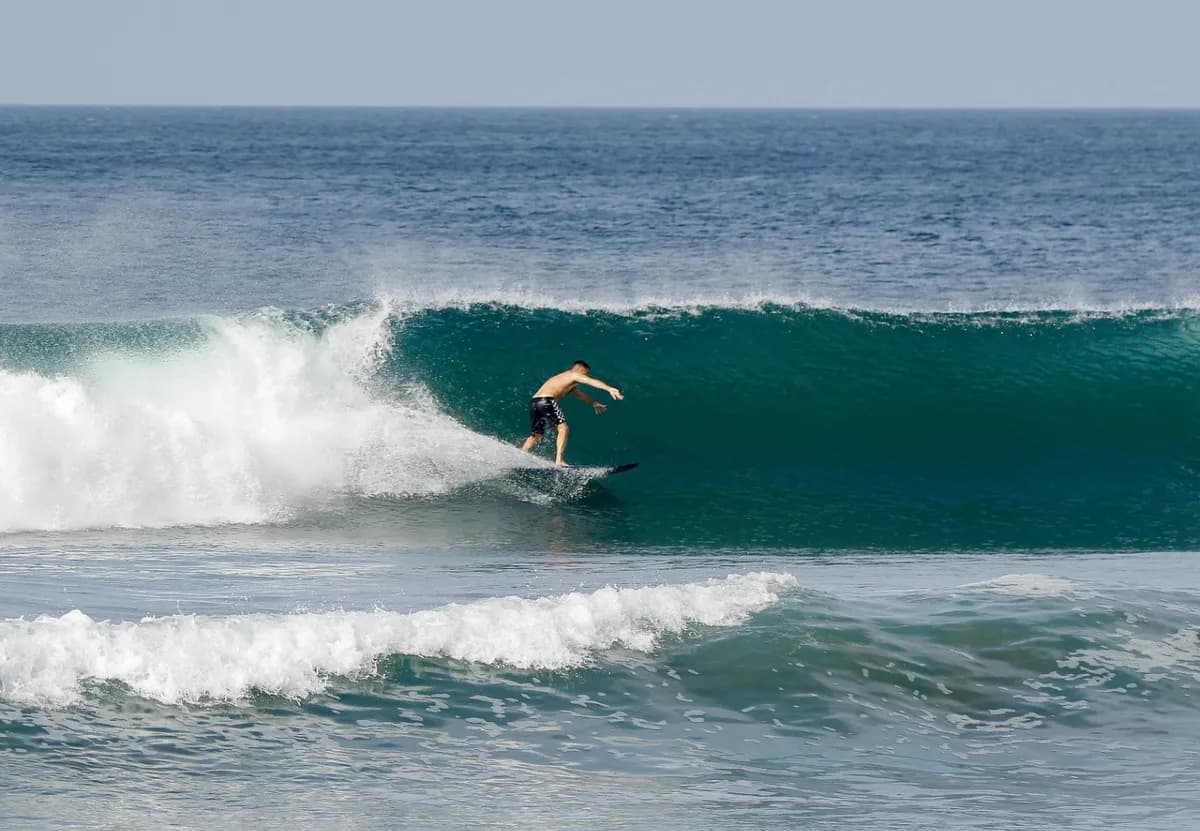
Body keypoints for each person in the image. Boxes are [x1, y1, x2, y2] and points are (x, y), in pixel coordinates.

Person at [521, 360, 623, 466]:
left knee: (536, 435)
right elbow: (590, 381)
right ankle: (559, 461)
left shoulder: (564, 378)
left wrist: (593, 402)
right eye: (586, 373)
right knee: (563, 429)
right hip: (546, 401)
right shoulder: (574, 375)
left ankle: (522, 455)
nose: (586, 375)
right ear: (580, 370)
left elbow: (579, 394)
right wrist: (609, 388)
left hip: (535, 402)